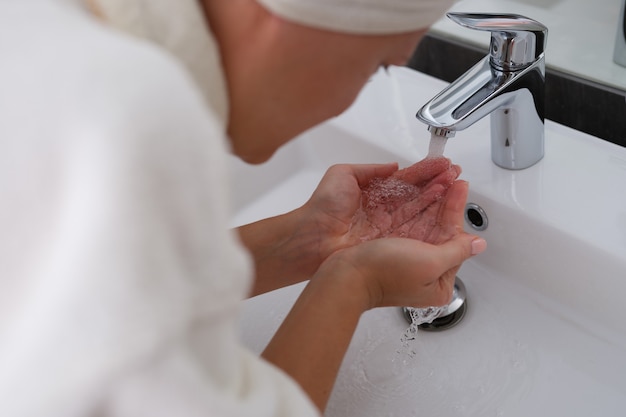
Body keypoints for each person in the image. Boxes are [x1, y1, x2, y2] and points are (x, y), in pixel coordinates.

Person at [0, 0, 486, 416]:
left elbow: (94, 300)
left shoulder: (51, 33)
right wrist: (355, 279)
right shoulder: (131, 113)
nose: (349, 102)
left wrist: (305, 240)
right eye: (380, 63)